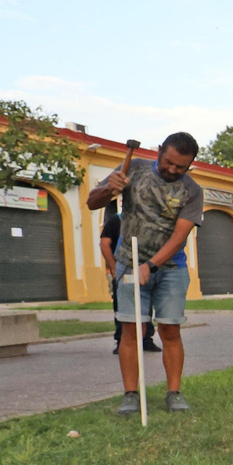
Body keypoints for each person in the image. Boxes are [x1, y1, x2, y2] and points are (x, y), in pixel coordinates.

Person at [87, 133, 203, 414]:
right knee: (131, 330)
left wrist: (150, 266)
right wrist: (108, 190)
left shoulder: (192, 190)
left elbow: (179, 236)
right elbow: (93, 202)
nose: (173, 170)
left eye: (181, 167)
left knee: (170, 329)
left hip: (171, 268)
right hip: (128, 261)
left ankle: (173, 393)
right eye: (170, 162)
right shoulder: (133, 169)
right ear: (160, 151)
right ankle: (130, 395)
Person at [99, 208, 159, 355]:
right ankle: (121, 341)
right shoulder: (117, 220)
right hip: (124, 269)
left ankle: (146, 340)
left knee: (146, 305)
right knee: (123, 307)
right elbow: (105, 243)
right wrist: (113, 267)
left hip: (144, 269)